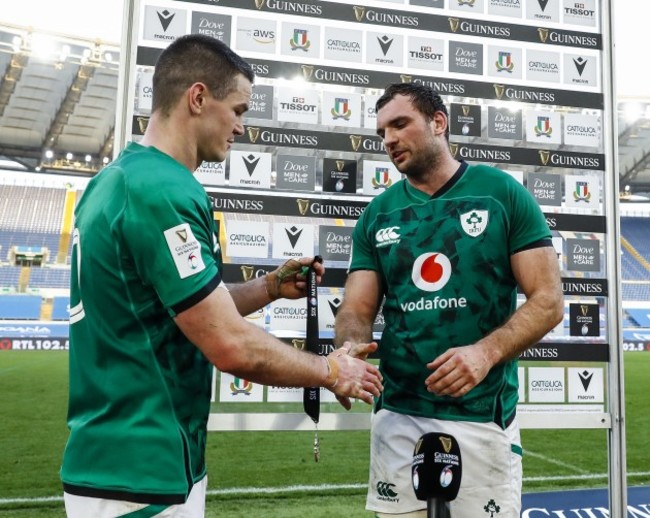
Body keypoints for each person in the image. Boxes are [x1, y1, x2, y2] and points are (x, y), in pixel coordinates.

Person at [60, 34, 382, 518]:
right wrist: (332, 370)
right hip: (140, 468)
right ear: (197, 98)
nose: (241, 127)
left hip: (129, 460)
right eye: (238, 110)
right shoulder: (160, 188)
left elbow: (182, 306)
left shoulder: (118, 179)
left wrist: (269, 288)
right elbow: (230, 344)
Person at [334, 83, 564, 518]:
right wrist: (349, 348)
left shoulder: (501, 194)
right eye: (382, 131)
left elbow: (549, 300)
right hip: (399, 413)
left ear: (439, 123)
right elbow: (356, 310)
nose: (389, 140)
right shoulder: (377, 214)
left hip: (481, 413)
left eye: (400, 124)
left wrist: (485, 353)